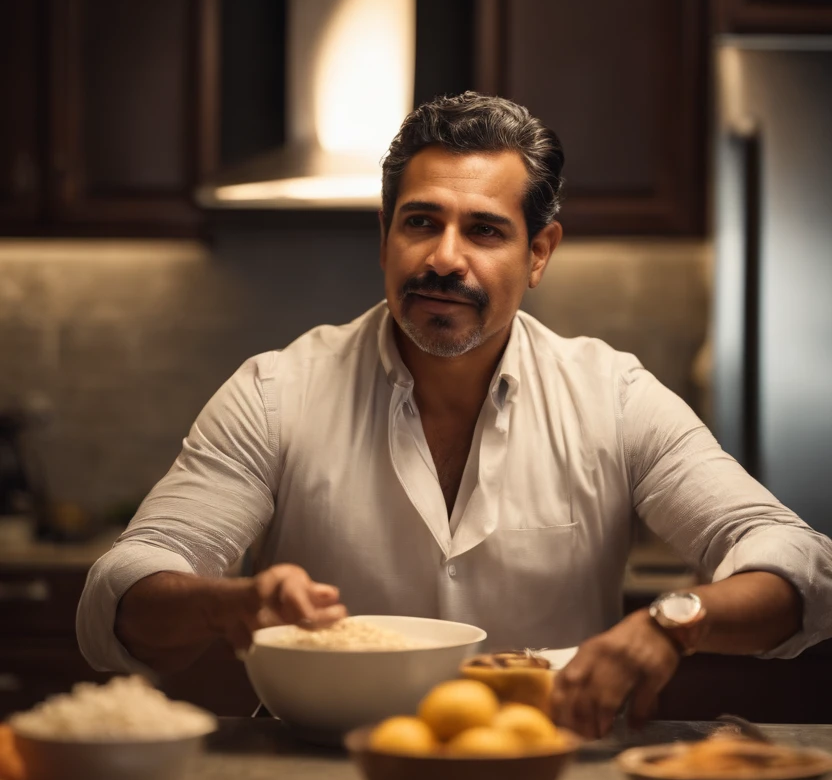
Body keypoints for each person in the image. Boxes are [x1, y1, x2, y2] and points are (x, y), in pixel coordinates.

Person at [77, 92, 832, 740]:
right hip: (319, 779)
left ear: (539, 253)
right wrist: (232, 603)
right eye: (420, 222)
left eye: (484, 230)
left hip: (549, 778)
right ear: (384, 236)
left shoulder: (615, 397)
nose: (444, 256)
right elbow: (124, 590)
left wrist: (677, 620)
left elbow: (796, 562)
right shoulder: (275, 393)